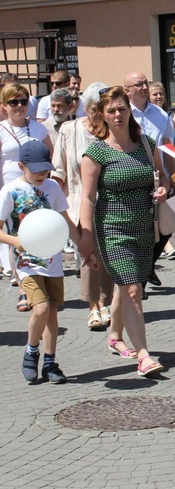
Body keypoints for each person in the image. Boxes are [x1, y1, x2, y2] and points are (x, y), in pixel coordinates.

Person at [79, 86, 169, 378]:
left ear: (129, 110)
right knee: (132, 288)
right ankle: (143, 354)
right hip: (112, 229)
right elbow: (87, 198)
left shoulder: (146, 143)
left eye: (122, 109)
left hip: (145, 227)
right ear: (102, 116)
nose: (118, 115)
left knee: (128, 285)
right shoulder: (96, 152)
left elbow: (163, 175)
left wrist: (163, 189)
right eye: (111, 110)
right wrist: (86, 236)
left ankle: (115, 336)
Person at [0, 140, 79, 384]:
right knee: (41, 309)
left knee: (52, 314)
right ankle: (31, 350)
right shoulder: (10, 191)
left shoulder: (53, 188)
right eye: (36, 170)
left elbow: (64, 220)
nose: (42, 175)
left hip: (53, 262)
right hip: (25, 263)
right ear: (21, 166)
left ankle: (50, 361)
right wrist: (16, 241)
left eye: (45, 170)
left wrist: (84, 247)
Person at [51, 82, 115, 331]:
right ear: (85, 108)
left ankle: (105, 303)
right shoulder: (70, 129)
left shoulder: (111, 132)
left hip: (108, 202)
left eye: (103, 109)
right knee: (88, 254)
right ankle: (92, 307)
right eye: (94, 110)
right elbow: (58, 170)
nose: (99, 115)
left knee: (108, 255)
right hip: (78, 202)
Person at [0, 83, 55, 312]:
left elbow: (49, 154)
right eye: (14, 102)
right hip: (10, 187)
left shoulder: (38, 129)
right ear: (4, 106)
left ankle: (41, 282)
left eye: (23, 101)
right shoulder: (1, 129)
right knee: (16, 238)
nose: (19, 106)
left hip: (36, 187)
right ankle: (23, 288)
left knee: (38, 234)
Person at [124, 71, 175, 294]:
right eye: (138, 84)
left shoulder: (160, 114)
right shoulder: (123, 113)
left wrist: (172, 176)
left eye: (145, 83)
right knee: (142, 231)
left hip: (159, 178)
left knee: (166, 228)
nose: (144, 87)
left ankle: (146, 269)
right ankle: (139, 281)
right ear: (127, 90)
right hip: (134, 179)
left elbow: (168, 145)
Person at [148, 81, 175, 259]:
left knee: (166, 220)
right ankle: (154, 258)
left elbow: (172, 147)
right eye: (155, 94)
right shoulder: (136, 115)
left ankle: (157, 254)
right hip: (147, 173)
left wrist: (174, 174)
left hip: (164, 172)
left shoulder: (168, 116)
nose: (159, 97)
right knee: (153, 221)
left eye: (161, 94)